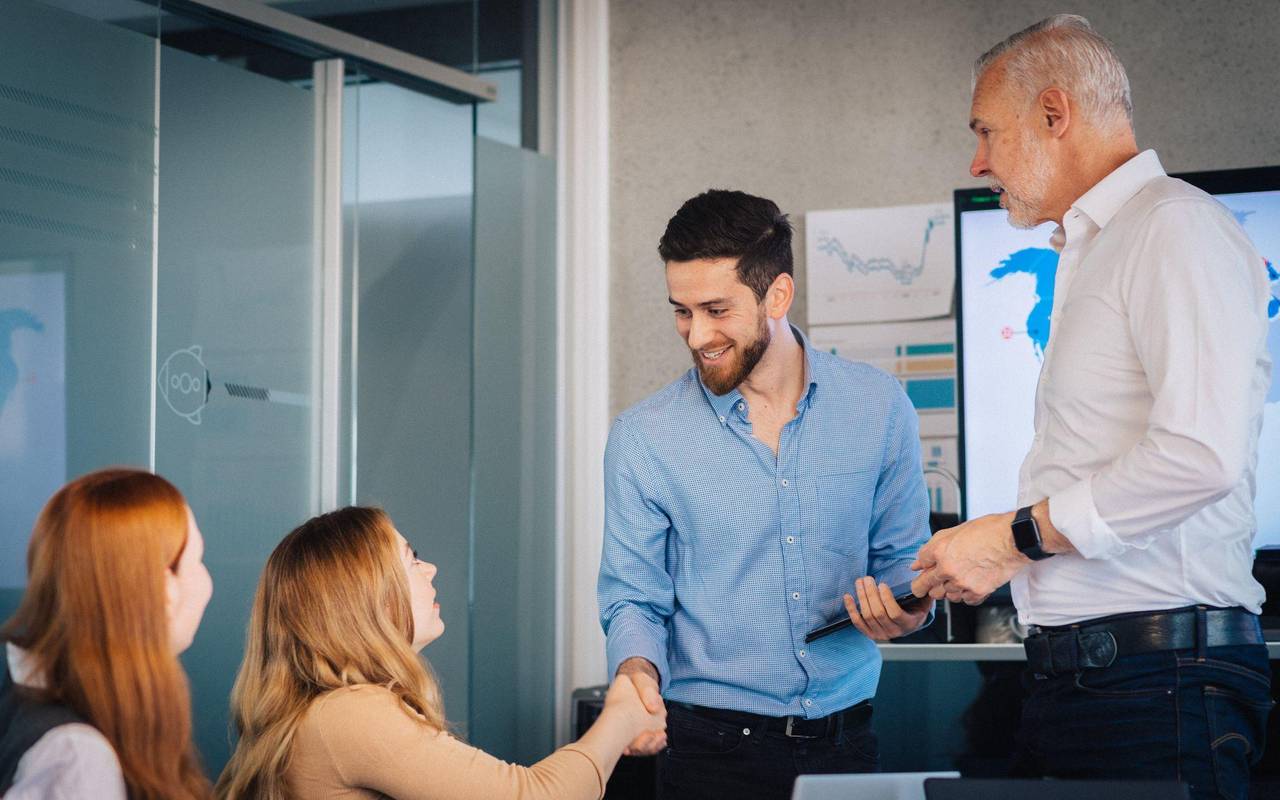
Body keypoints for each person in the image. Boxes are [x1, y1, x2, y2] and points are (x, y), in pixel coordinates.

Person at [911, 15, 1274, 799]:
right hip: (1093, 684)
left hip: (1155, 687)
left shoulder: (1173, 227)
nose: (977, 161)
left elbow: (1200, 455)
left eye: (986, 133)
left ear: (1053, 114)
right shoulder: (1095, 248)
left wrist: (1011, 541)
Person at [598, 189, 934, 800]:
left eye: (716, 309)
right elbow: (633, 600)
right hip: (708, 755)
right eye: (681, 311)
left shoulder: (879, 408)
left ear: (778, 294)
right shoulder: (643, 436)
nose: (697, 335)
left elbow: (903, 563)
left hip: (849, 746)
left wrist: (907, 610)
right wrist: (635, 674)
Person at [216, 506, 664, 800]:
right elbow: (535, 796)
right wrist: (622, 713)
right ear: (365, 598)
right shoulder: (351, 715)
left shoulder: (317, 713)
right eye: (411, 559)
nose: (430, 569)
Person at [0, 468, 214, 800]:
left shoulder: (40, 705)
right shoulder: (77, 761)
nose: (205, 581)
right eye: (198, 560)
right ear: (163, 590)